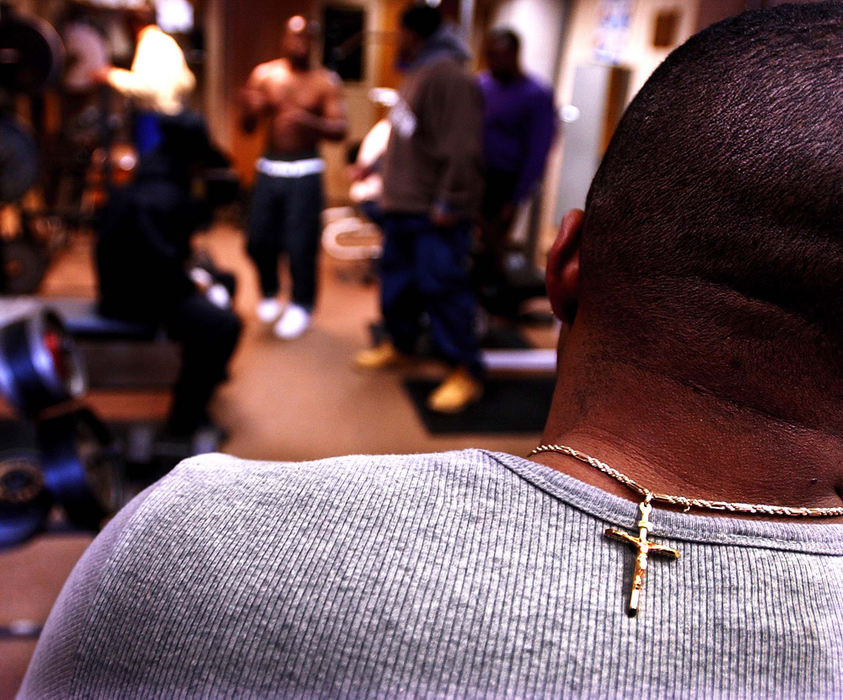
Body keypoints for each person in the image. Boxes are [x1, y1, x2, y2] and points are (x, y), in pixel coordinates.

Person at [20, 4, 843, 696]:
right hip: (368, 200)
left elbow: (462, 154)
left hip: (382, 198)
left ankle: (455, 366)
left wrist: (453, 202)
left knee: (440, 302)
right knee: (399, 298)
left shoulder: (177, 547)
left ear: (561, 267)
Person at [353, 4, 485, 414]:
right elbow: (407, 137)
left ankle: (465, 371)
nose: (398, 41)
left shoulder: (450, 76)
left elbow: (463, 147)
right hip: (402, 206)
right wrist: (376, 168)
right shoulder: (419, 73)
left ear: (415, 34)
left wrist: (452, 201)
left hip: (433, 212)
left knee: (442, 288)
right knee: (398, 284)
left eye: (401, 33)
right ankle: (402, 344)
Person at [95, 114, 242, 445]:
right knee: (222, 325)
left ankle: (205, 373)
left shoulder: (155, 172)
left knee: (226, 280)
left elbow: (166, 256)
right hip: (131, 297)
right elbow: (162, 271)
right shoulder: (163, 195)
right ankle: (183, 422)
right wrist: (197, 285)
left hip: (144, 281)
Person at [241, 15, 348, 340]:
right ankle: (271, 289)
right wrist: (252, 109)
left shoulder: (325, 81)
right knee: (258, 239)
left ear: (313, 43)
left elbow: (341, 129)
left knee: (301, 245)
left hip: (305, 170)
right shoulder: (265, 75)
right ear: (284, 39)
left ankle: (302, 303)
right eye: (294, 37)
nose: (299, 44)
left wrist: (307, 122)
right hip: (270, 167)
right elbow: (246, 128)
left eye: (306, 38)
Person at [475, 28, 557, 311]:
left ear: (514, 55)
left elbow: (539, 147)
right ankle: (476, 303)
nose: (496, 62)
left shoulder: (535, 94)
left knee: (494, 241)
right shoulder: (481, 86)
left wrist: (516, 195)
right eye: (491, 56)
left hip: (505, 180)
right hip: (474, 175)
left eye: (502, 56)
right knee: (474, 241)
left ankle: (495, 307)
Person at [93, 4, 196, 154]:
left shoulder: (147, 43)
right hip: (175, 118)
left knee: (152, 171)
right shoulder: (168, 41)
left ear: (133, 25)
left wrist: (111, 75)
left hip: (154, 122)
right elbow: (188, 82)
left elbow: (146, 87)